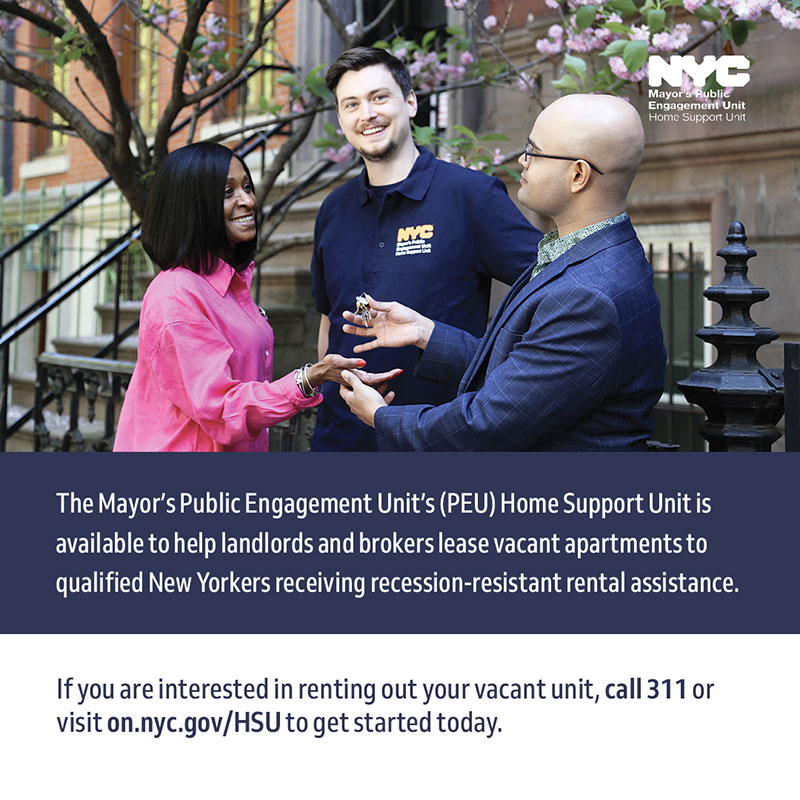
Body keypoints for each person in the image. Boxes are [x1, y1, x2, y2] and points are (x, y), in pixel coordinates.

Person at [338, 94, 666, 451]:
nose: (522, 161)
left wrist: (381, 417)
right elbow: (523, 372)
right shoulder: (591, 252)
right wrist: (425, 332)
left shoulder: (589, 295)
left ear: (577, 175)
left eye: (534, 152)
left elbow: (486, 425)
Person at [310, 46, 543, 451]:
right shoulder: (333, 209)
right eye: (351, 104)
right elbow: (330, 321)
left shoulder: (472, 196)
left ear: (411, 101)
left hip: (439, 442)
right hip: (339, 443)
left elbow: (552, 291)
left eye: (379, 97)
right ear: (342, 119)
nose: (367, 114)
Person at [114, 142, 396, 452]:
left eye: (247, 187)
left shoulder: (229, 285)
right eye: (227, 192)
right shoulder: (176, 295)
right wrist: (310, 377)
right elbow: (222, 409)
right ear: (191, 205)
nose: (248, 200)